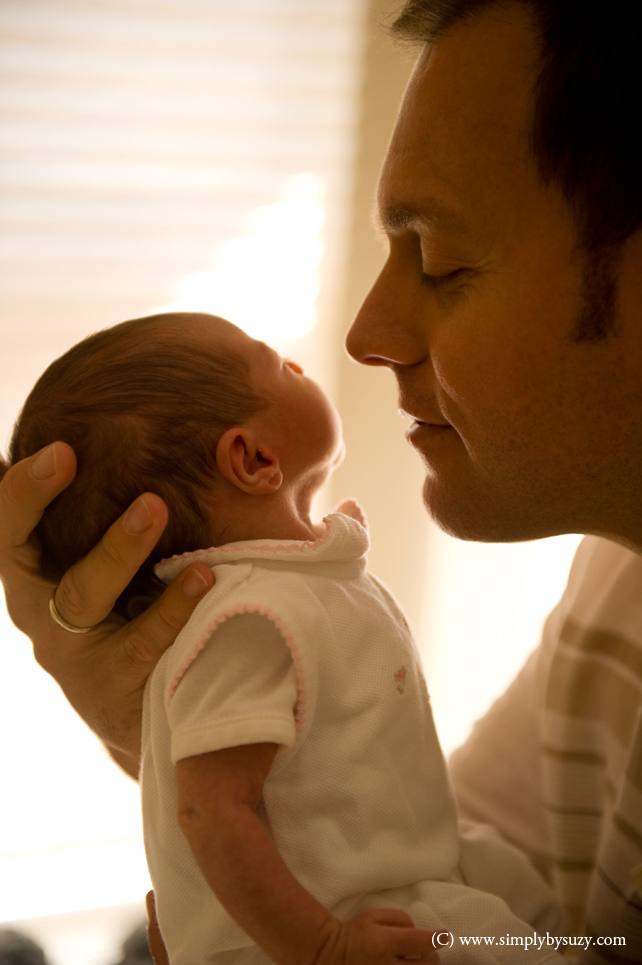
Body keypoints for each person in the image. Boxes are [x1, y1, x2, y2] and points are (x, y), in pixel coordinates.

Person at [1, 0, 641, 960]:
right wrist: (148, 732)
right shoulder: (612, 582)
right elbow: (410, 859)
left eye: (438, 258)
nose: (363, 336)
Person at [8, 312, 561, 965]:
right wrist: (325, 947)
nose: (303, 364)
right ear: (254, 457)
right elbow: (210, 811)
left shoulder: (297, 591)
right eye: (277, 362)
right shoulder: (252, 620)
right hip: (334, 924)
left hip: (383, 890)